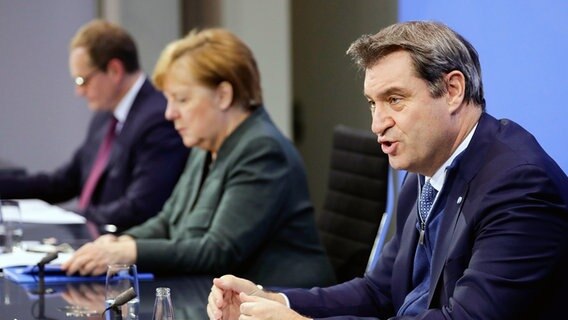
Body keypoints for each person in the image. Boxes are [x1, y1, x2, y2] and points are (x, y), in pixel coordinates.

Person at [207, 21, 568, 319]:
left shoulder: (520, 185)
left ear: (453, 90)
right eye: (372, 104)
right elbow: (380, 291)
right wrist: (273, 300)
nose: (378, 124)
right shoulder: (424, 170)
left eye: (395, 100)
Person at [61, 28, 336, 289]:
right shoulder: (205, 143)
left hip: (281, 300)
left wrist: (129, 251)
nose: (170, 114)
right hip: (215, 295)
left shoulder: (262, 150)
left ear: (223, 95)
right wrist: (119, 243)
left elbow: (218, 251)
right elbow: (168, 219)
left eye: (181, 99)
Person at [0, 20, 189, 234]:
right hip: (95, 243)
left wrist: (67, 219)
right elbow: (63, 182)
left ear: (114, 71)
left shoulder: (159, 118)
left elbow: (140, 207)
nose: (78, 92)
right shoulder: (105, 116)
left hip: (127, 251)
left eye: (82, 80)